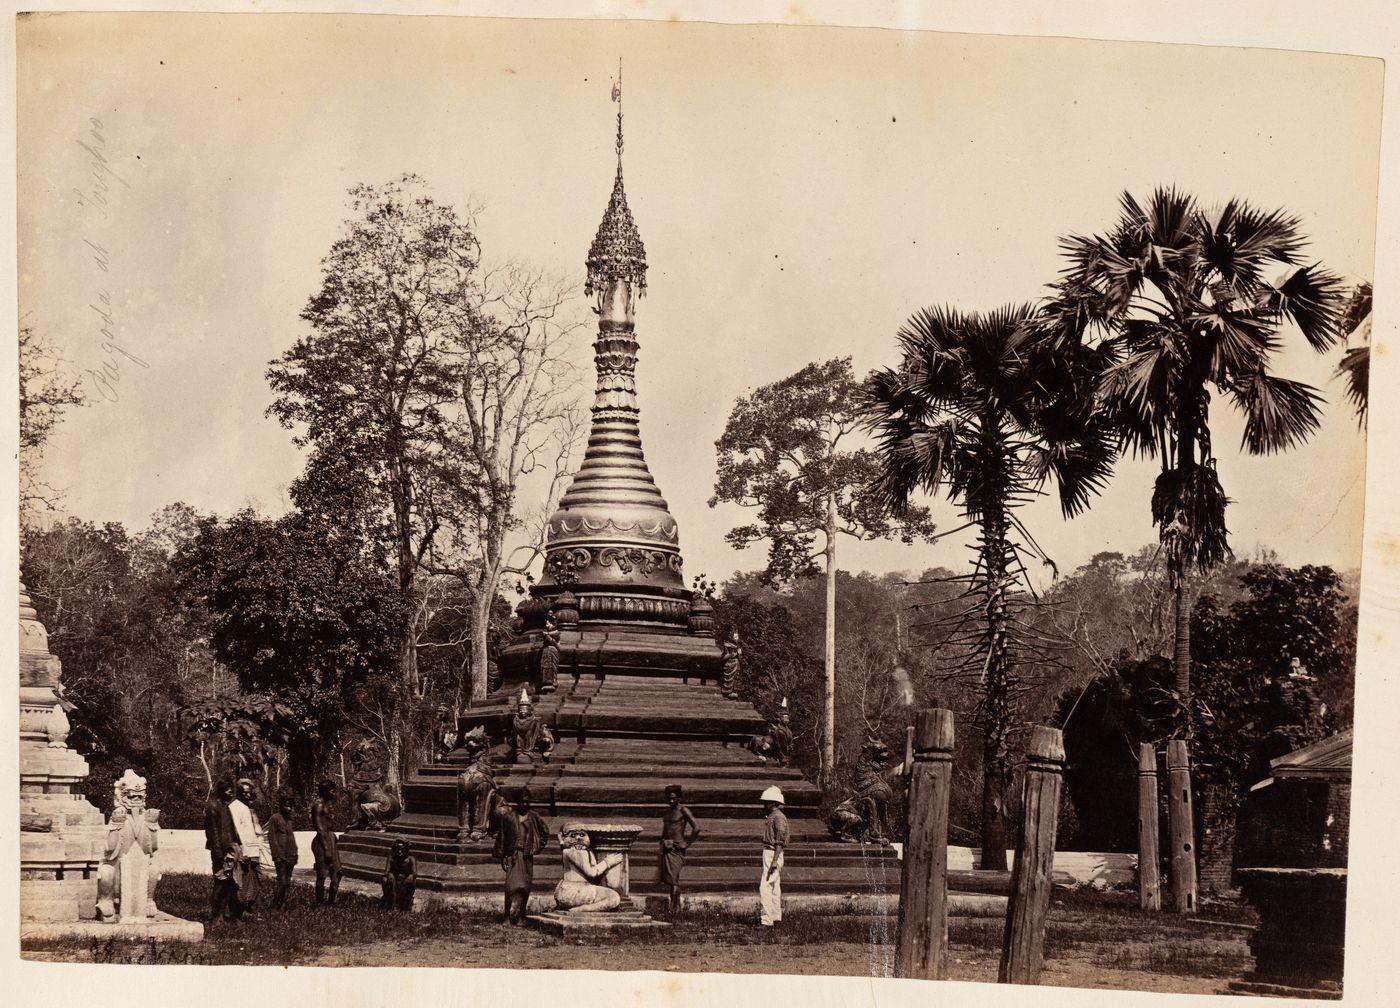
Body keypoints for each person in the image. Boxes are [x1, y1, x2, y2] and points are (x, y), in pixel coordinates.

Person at [493, 789, 550, 925]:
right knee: (510, 887)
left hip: (526, 856)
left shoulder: (534, 817)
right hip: (513, 855)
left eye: (527, 801)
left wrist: (537, 847)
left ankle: (521, 916)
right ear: (518, 802)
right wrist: (503, 856)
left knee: (525, 886)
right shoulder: (509, 816)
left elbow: (545, 832)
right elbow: (502, 836)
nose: (525, 804)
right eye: (522, 801)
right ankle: (506, 916)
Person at [554, 824, 623, 912]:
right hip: (574, 891)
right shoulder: (577, 853)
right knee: (613, 897)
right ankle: (583, 909)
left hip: (566, 891)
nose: (578, 838)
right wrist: (608, 862)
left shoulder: (568, 851)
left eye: (582, 835)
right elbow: (592, 873)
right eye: (573, 835)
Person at [230, 779, 272, 919]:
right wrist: (244, 852)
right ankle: (239, 912)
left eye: (249, 793)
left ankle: (250, 911)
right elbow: (236, 831)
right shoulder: (235, 807)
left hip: (253, 852)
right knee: (242, 883)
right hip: (245, 852)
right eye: (245, 793)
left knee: (254, 881)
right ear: (239, 793)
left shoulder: (247, 808)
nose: (248, 795)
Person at [658, 784, 701, 912]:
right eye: (669, 798)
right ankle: (676, 908)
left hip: (678, 848)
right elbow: (666, 830)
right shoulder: (667, 813)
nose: (671, 800)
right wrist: (663, 841)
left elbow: (697, 828)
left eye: (674, 798)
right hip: (668, 847)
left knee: (674, 879)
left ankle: (674, 909)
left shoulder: (683, 810)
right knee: (671, 880)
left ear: (679, 798)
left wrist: (687, 843)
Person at [203, 781, 240, 923]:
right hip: (220, 851)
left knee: (229, 883)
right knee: (220, 882)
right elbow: (213, 832)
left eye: (232, 790)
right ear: (221, 791)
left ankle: (221, 914)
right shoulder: (213, 807)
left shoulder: (225, 806)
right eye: (228, 790)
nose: (231, 793)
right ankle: (215, 916)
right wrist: (218, 853)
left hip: (229, 848)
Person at [758, 785, 789, 927]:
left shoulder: (778, 818)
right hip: (771, 852)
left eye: (767, 802)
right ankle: (776, 917)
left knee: (765, 886)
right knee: (775, 886)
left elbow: (780, 841)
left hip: (772, 853)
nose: (764, 805)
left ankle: (766, 920)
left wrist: (775, 860)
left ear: (774, 803)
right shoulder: (774, 817)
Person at [310, 779, 342, 907]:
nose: (333, 793)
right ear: (325, 791)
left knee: (337, 872)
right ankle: (319, 903)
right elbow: (319, 828)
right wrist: (327, 848)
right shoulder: (318, 806)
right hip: (322, 841)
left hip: (330, 838)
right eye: (332, 791)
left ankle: (331, 901)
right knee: (322, 874)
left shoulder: (327, 804)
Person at [266, 793, 298, 909]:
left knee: (288, 881)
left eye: (291, 806)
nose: (289, 808)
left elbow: (291, 837)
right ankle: (275, 905)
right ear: (281, 805)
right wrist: (276, 855)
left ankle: (284, 904)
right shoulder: (274, 818)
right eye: (286, 805)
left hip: (290, 855)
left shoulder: (289, 820)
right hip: (281, 856)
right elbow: (272, 838)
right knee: (282, 881)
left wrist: (295, 853)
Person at [511, 689, 554, 764]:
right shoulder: (515, 720)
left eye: (524, 709)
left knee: (543, 739)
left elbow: (534, 734)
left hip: (531, 741)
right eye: (520, 710)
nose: (522, 711)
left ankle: (527, 750)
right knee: (518, 737)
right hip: (519, 741)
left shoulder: (534, 721)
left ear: (528, 710)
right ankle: (521, 750)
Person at [381, 839, 417, 912]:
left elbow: (414, 873)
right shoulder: (392, 858)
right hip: (394, 878)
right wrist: (389, 875)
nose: (399, 851)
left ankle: (405, 906)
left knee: (411, 882)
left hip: (405, 879)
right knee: (386, 879)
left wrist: (411, 876)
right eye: (398, 849)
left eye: (402, 849)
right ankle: (392, 904)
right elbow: (386, 871)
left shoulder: (410, 859)